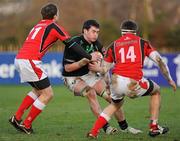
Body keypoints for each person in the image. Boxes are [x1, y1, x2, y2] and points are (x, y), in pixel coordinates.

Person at [8, 3, 98, 135]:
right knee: (48, 94)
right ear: (55, 16)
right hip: (30, 61)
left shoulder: (37, 26)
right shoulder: (54, 26)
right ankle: (27, 124)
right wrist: (89, 56)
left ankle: (16, 117)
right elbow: (71, 43)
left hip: (20, 59)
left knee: (38, 91)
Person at [87, 20, 177, 138]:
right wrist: (169, 79)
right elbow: (159, 60)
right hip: (132, 82)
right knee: (157, 91)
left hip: (116, 81)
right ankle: (154, 127)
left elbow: (104, 70)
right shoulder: (142, 43)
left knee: (114, 105)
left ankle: (93, 131)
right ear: (135, 32)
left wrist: (108, 87)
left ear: (122, 32)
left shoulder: (113, 45)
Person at [62, 19, 142, 135]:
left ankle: (125, 128)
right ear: (85, 30)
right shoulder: (74, 44)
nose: (96, 34)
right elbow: (67, 68)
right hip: (72, 77)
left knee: (113, 98)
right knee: (91, 93)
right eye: (93, 31)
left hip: (89, 75)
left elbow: (105, 66)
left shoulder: (97, 44)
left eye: (97, 32)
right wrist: (85, 60)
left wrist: (105, 80)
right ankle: (106, 127)